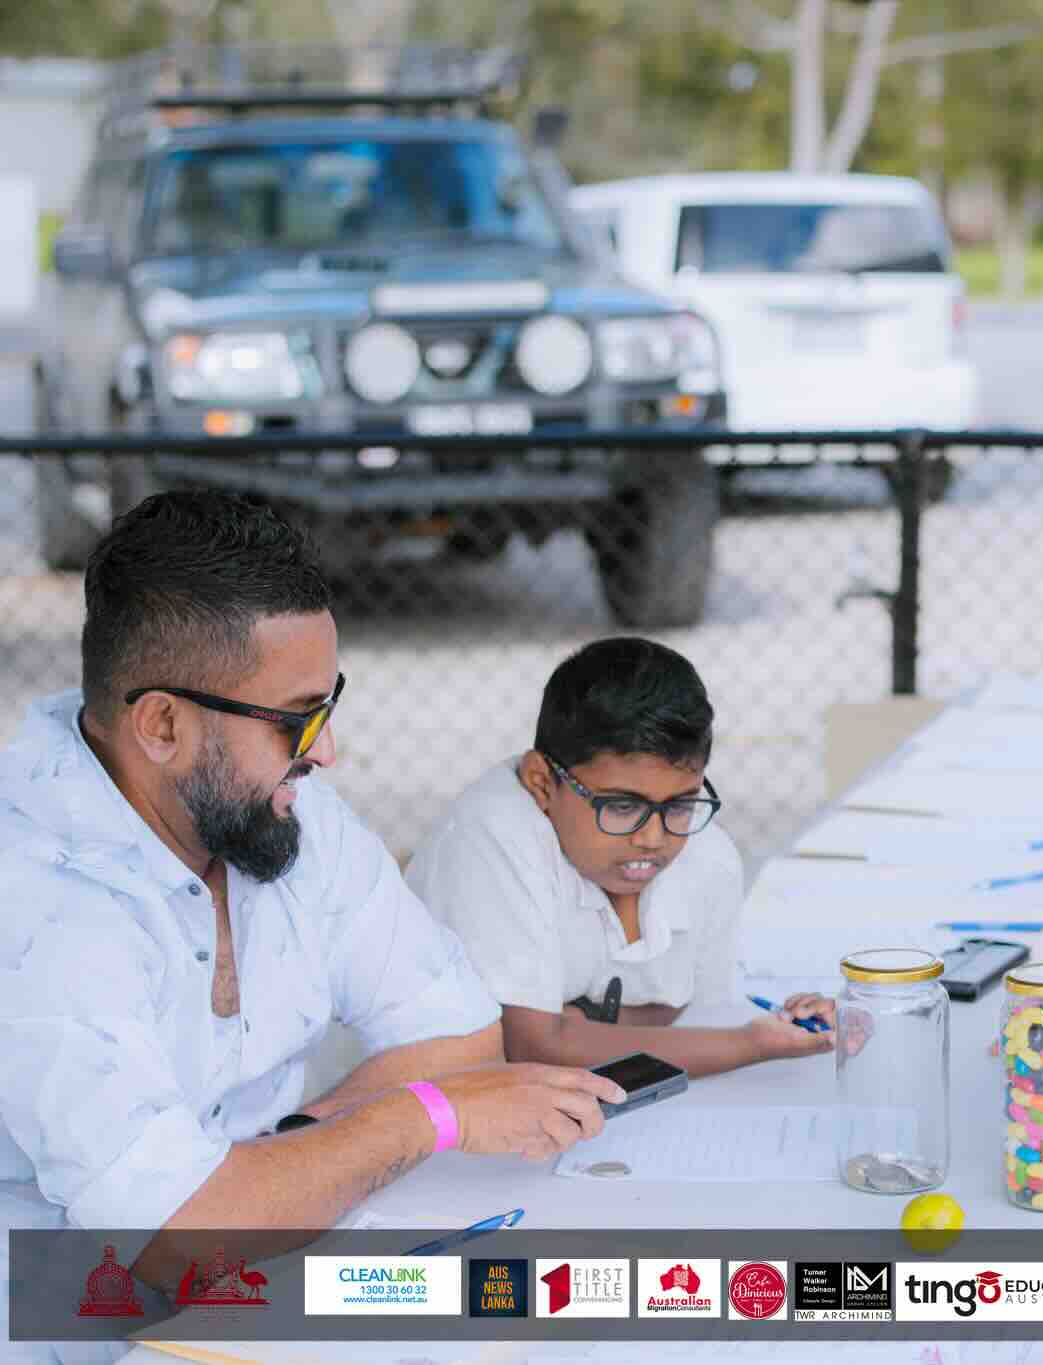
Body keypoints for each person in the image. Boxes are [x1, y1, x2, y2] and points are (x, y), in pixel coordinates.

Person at [0, 492, 624, 1327]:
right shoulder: (35, 895)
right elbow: (180, 1239)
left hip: (248, 1294)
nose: (326, 750)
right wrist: (414, 1120)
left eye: (326, 708)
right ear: (160, 724)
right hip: (72, 1328)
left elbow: (460, 1039)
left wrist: (280, 1170)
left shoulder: (280, 813)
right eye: (295, 720)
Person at [406, 636, 833, 1076]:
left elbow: (690, 1012)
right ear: (540, 782)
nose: (652, 837)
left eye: (680, 805)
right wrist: (750, 1043)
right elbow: (529, 1046)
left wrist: (583, 1024)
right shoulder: (489, 836)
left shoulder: (707, 856)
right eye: (622, 806)